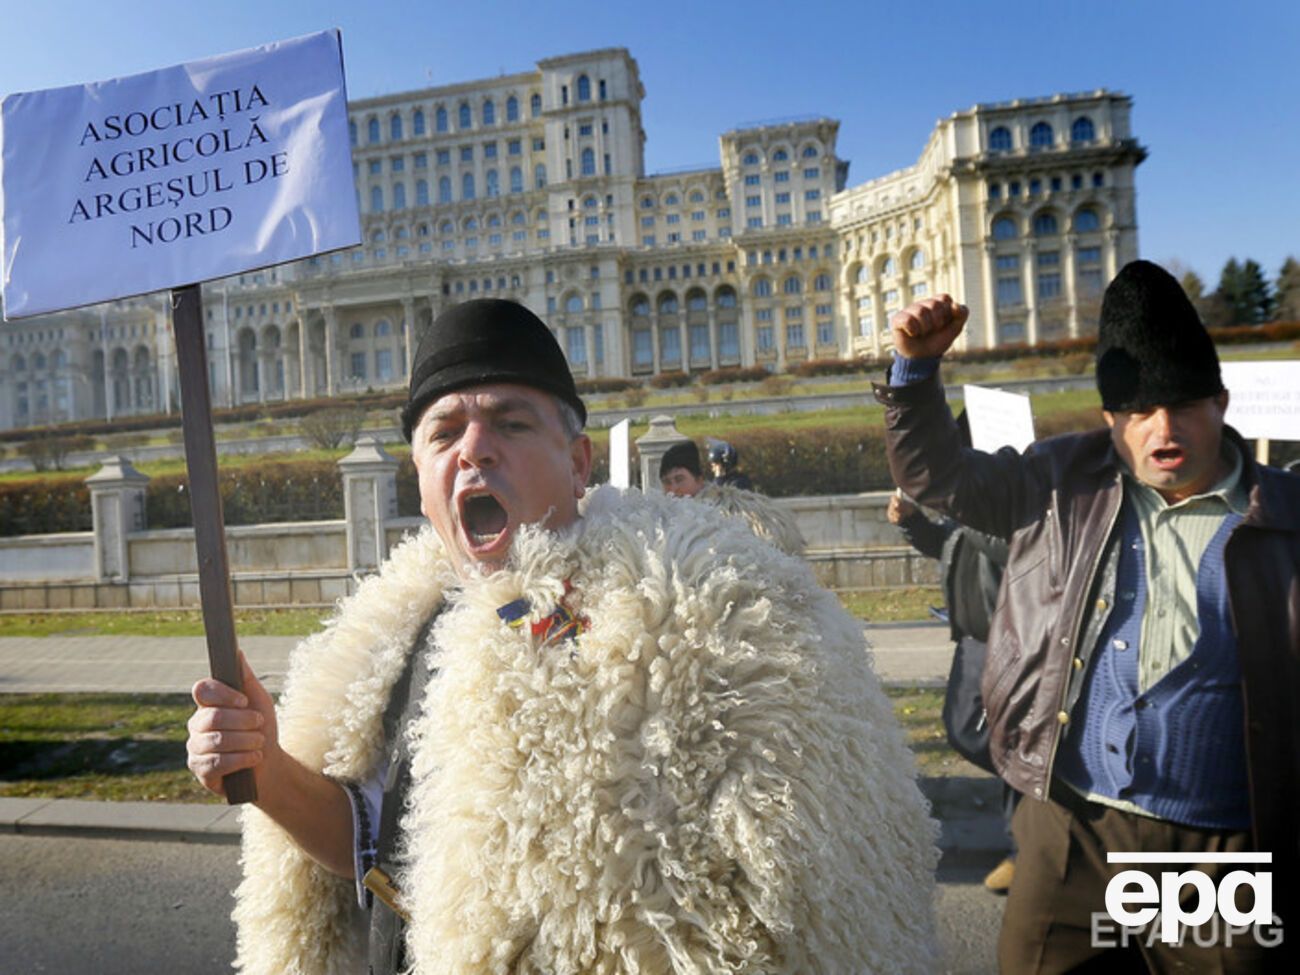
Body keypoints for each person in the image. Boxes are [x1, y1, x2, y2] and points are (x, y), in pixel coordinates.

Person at [187, 299, 939, 975]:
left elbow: (801, 903)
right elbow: (375, 850)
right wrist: (267, 768)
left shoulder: (712, 619)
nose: (474, 449)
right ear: (420, 476)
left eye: (511, 424)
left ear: (578, 464)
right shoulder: (404, 636)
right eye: (444, 433)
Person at [876, 261, 1300, 973]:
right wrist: (915, 372)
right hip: (1074, 834)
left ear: (1222, 402)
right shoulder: (1056, 481)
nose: (1163, 427)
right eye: (1139, 410)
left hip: (1221, 850)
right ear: (1110, 419)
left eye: (1184, 404)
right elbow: (937, 477)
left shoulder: (1286, 517)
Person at [886, 488, 1017, 893]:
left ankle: (1030, 845)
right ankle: (1042, 819)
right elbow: (948, 544)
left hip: (1009, 637)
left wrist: (961, 506)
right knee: (966, 730)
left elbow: (1008, 547)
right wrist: (913, 522)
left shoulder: (1009, 495)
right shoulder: (971, 503)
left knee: (1013, 741)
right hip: (974, 639)